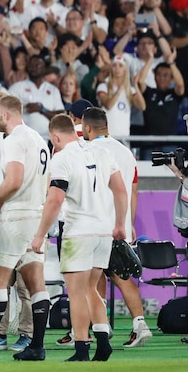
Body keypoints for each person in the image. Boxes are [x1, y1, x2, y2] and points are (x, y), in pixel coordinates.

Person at [31, 114, 127, 362]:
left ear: (55, 137)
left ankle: (82, 348)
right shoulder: (102, 152)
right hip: (103, 231)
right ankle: (103, 342)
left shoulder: (62, 158)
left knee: (76, 293)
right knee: (90, 289)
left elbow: (54, 200)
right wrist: (119, 224)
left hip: (78, 232)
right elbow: (120, 189)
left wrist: (40, 235)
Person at [0, 94, 50, 361]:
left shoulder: (14, 140)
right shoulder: (40, 140)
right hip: (36, 217)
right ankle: (37, 346)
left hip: (15, 217)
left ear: (5, 114)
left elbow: (14, 180)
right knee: (36, 284)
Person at [82, 108, 153, 348]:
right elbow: (132, 190)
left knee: (95, 276)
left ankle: (107, 326)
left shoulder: (88, 150)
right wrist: (127, 222)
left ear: (87, 128)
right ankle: (130, 324)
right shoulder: (126, 152)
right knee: (119, 275)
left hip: (96, 223)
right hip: (119, 224)